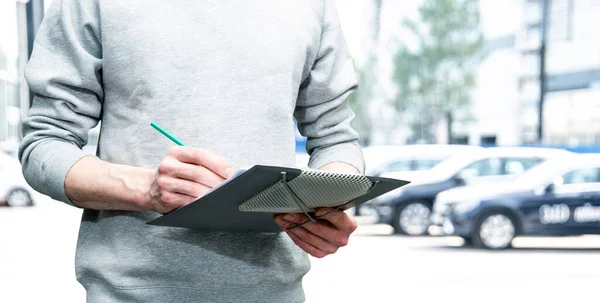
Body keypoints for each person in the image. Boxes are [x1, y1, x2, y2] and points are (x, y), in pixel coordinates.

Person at [19, 0, 365, 302]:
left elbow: (336, 140)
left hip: (276, 291)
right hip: (129, 294)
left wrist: (328, 201)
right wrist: (146, 189)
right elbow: (45, 145)